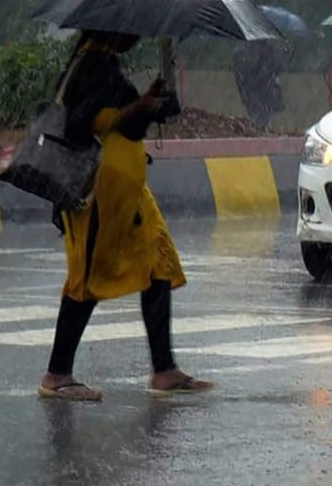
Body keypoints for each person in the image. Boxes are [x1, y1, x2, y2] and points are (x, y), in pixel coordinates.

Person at [39, 31, 209, 401]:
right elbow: (80, 124)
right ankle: (57, 374)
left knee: (157, 266)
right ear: (109, 29)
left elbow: (123, 122)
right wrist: (138, 108)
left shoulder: (106, 64)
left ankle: (164, 369)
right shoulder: (90, 65)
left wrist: (151, 106)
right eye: (128, 30)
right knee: (87, 279)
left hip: (128, 193)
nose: (134, 36)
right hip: (100, 193)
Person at [234, 39, 288, 130]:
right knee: (259, 114)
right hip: (256, 88)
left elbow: (275, 68)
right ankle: (261, 128)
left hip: (262, 89)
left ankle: (262, 128)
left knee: (262, 115)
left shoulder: (261, 50)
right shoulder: (247, 50)